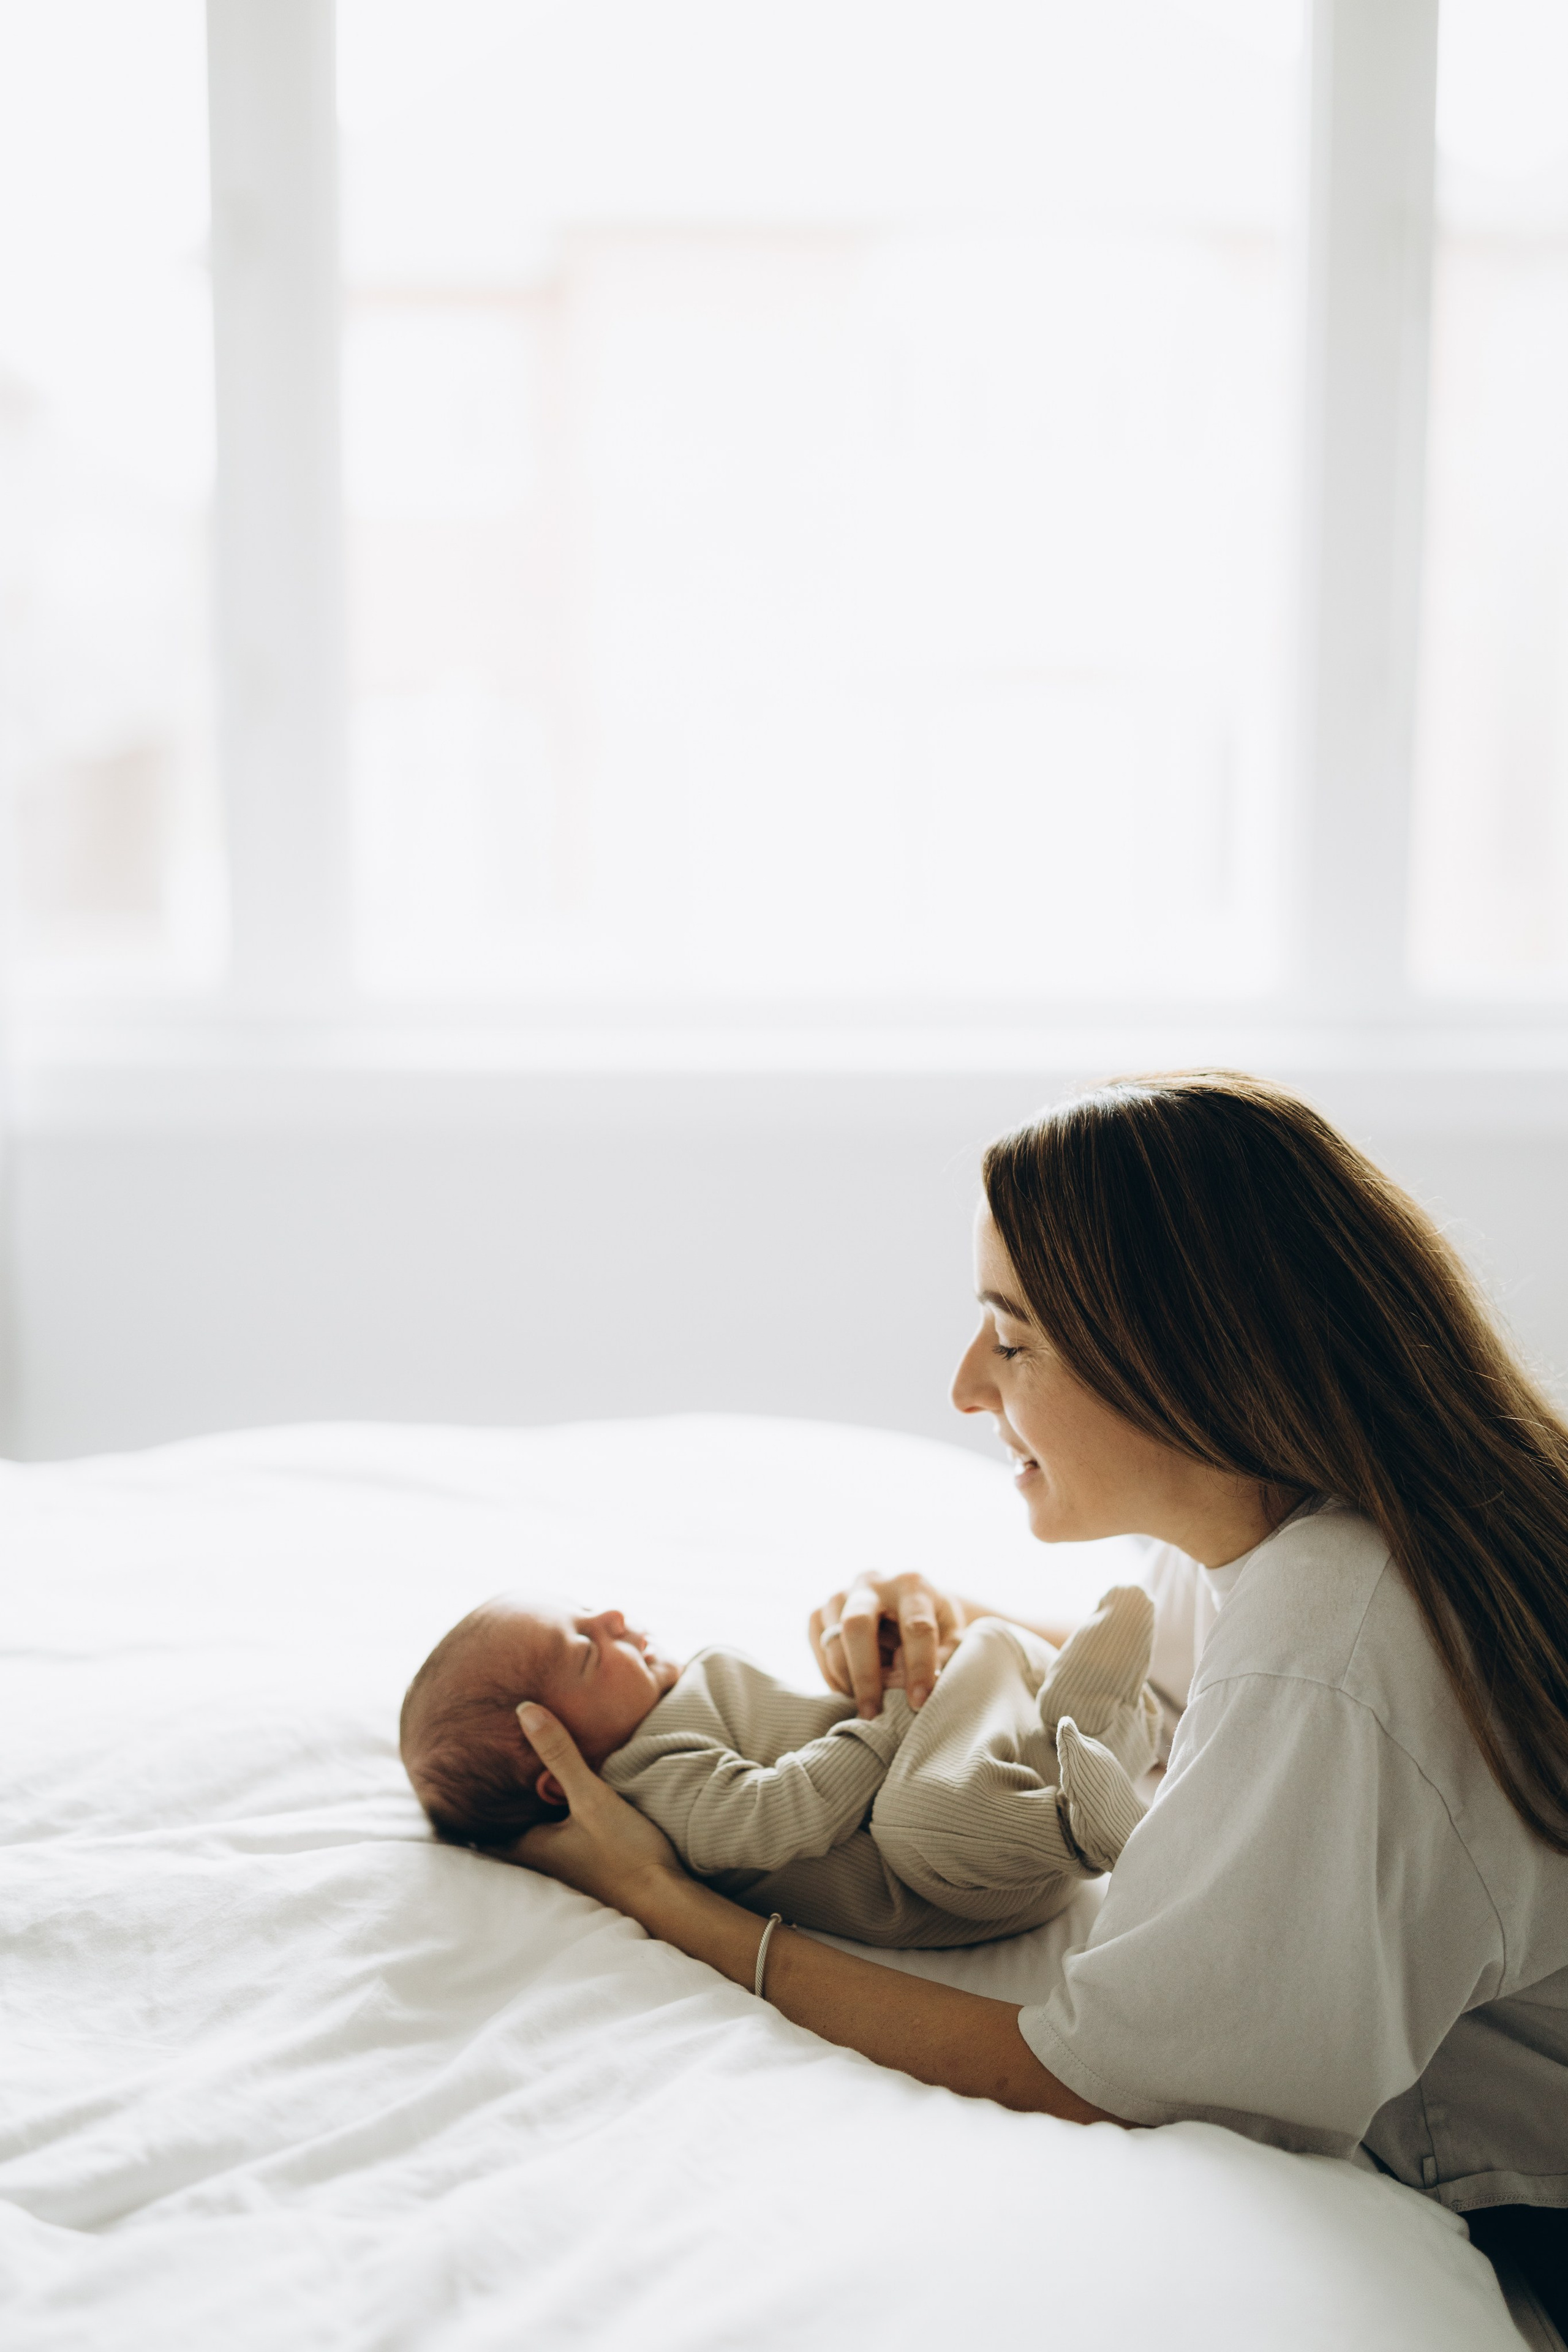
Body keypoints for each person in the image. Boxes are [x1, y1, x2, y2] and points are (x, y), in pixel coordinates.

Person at [514, 1073, 1568, 2323]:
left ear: (1183, 1360)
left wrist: (661, 1901)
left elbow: (1101, 2077)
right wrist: (949, 1619)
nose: (966, 1387)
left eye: (1012, 1341)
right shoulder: (1320, 1528)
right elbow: (1184, 1679)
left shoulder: (1335, 1633)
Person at [399, 1588, 1159, 1946]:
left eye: (589, 1610)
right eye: (584, 1651)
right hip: (954, 1875)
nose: (613, 1619)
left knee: (979, 1655)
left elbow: (816, 1721)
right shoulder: (648, 1781)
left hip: (964, 1782)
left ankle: (1091, 1724)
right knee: (917, 1816)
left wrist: (886, 1680)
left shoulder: (693, 1683)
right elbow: (783, 1811)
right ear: (554, 1766)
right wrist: (893, 1714)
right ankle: (1085, 1803)